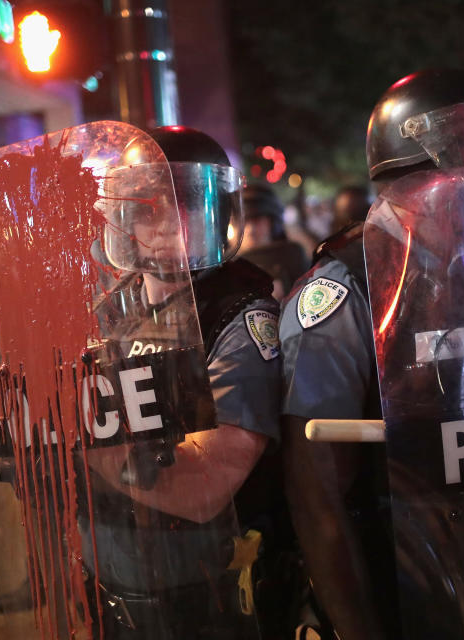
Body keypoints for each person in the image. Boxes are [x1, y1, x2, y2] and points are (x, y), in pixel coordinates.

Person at [279, 68, 464, 640]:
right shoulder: (344, 295)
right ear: (410, 179)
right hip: (405, 581)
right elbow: (316, 493)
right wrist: (357, 627)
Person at [80, 125, 294, 639]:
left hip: (209, 597)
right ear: (123, 218)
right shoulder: (108, 313)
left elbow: (203, 488)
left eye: (189, 206)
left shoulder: (239, 317)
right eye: (148, 208)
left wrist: (68, 442)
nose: (168, 225)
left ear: (218, 214)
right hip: (113, 584)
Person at [238, 184, 309, 301]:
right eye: (244, 222)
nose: (250, 229)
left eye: (257, 221)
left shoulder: (292, 255)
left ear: (273, 223)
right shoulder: (228, 264)